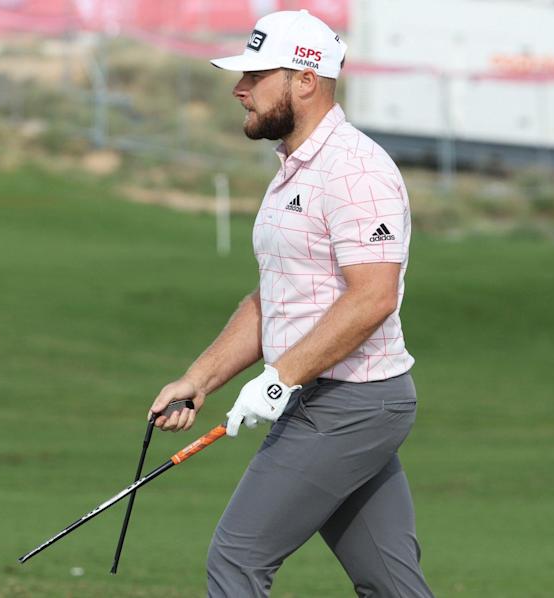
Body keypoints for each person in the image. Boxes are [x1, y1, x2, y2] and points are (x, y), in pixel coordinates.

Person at [148, 9, 434, 598]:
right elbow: (273, 296)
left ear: (304, 79)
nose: (239, 89)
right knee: (389, 582)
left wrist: (280, 378)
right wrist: (200, 379)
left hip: (349, 403)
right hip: (335, 399)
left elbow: (374, 296)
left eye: (256, 75)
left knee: (237, 559)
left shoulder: (355, 170)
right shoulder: (294, 171)